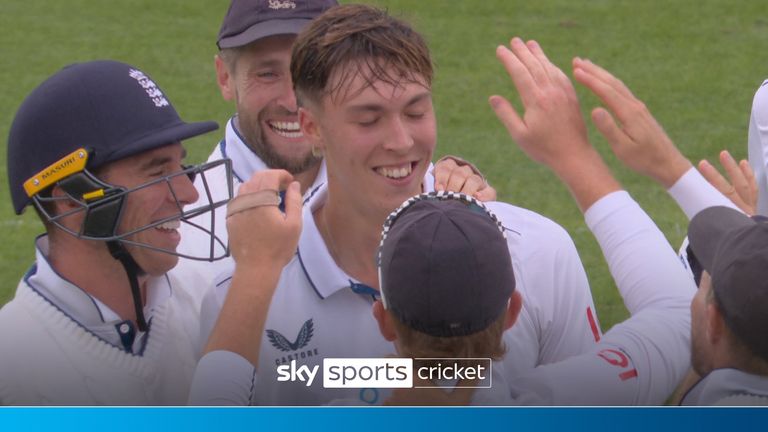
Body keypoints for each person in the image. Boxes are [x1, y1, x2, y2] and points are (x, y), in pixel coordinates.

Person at [189, 36, 719, 406]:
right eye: (369, 117)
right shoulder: (554, 398)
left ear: (385, 319)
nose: (401, 140)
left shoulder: (244, 298)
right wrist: (574, 155)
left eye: (416, 111)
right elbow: (675, 313)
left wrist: (258, 275)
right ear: (510, 311)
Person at [173, 0, 496, 302]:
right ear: (225, 77)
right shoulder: (178, 231)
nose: (292, 101)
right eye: (268, 74)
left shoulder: (432, 189)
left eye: (311, 76)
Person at [0, 60, 232, 405]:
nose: (189, 193)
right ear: (72, 202)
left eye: (180, 166)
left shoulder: (210, 296)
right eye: (157, 172)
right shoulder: (14, 373)